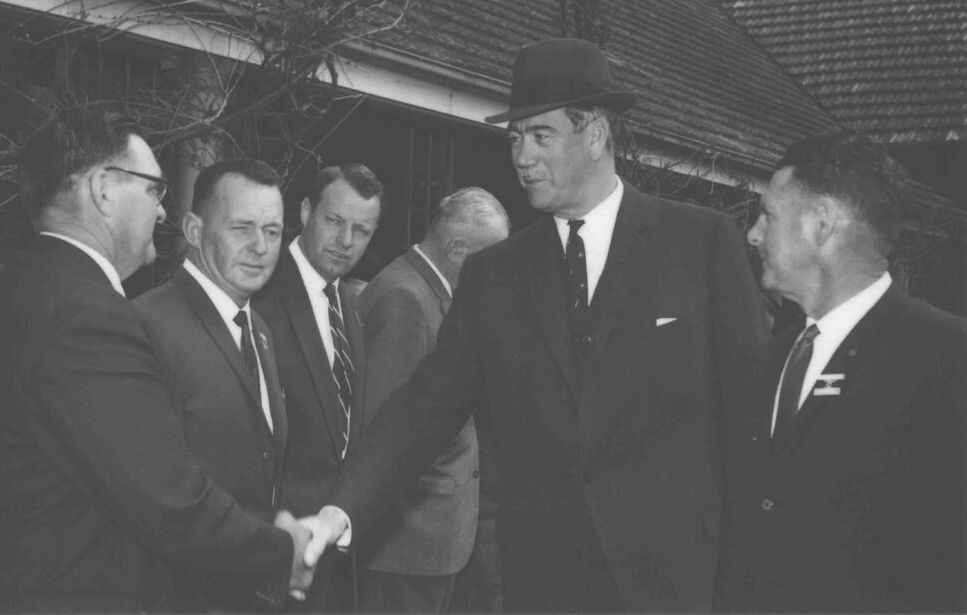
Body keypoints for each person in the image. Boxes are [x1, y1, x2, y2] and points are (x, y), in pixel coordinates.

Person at [296, 37, 769, 612]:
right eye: (516, 138)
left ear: (596, 135)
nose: (522, 156)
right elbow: (426, 404)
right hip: (545, 586)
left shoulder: (699, 243)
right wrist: (340, 510)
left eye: (541, 135)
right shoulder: (496, 274)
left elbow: (753, 415)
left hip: (675, 584)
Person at [0, 109, 311, 613]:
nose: (163, 212)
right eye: (154, 190)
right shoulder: (87, 318)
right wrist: (282, 551)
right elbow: (168, 499)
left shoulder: (28, 287)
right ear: (103, 190)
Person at [716, 130, 967, 613]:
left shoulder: (948, 355)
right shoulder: (767, 361)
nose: (753, 234)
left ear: (822, 223)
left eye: (769, 215)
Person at [134, 158, 291, 610]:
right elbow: (155, 494)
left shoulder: (259, 329)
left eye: (273, 231)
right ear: (194, 230)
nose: (260, 246)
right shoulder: (148, 324)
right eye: (242, 228)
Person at [358, 187, 510, 612]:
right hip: (407, 545)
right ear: (458, 249)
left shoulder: (427, 291)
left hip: (427, 538)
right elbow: (386, 435)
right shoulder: (405, 298)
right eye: (492, 259)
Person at [252, 162, 383, 612]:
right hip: (274, 549)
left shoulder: (348, 301)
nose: (346, 241)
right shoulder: (259, 289)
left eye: (362, 231)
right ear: (306, 211)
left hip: (333, 550)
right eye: (335, 221)